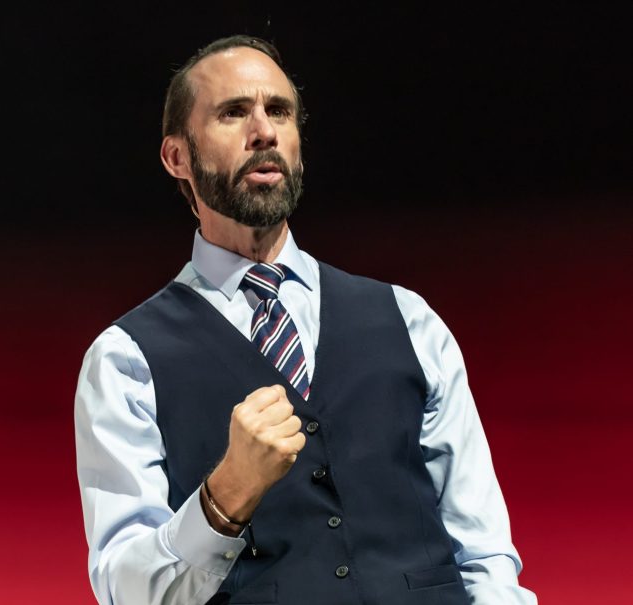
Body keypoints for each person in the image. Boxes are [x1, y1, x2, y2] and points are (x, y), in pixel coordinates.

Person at [74, 35, 536, 605]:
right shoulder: (126, 360)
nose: (263, 131)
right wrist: (225, 495)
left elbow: (483, 550)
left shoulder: (409, 320)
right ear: (177, 157)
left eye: (280, 111)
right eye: (233, 112)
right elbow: (127, 590)